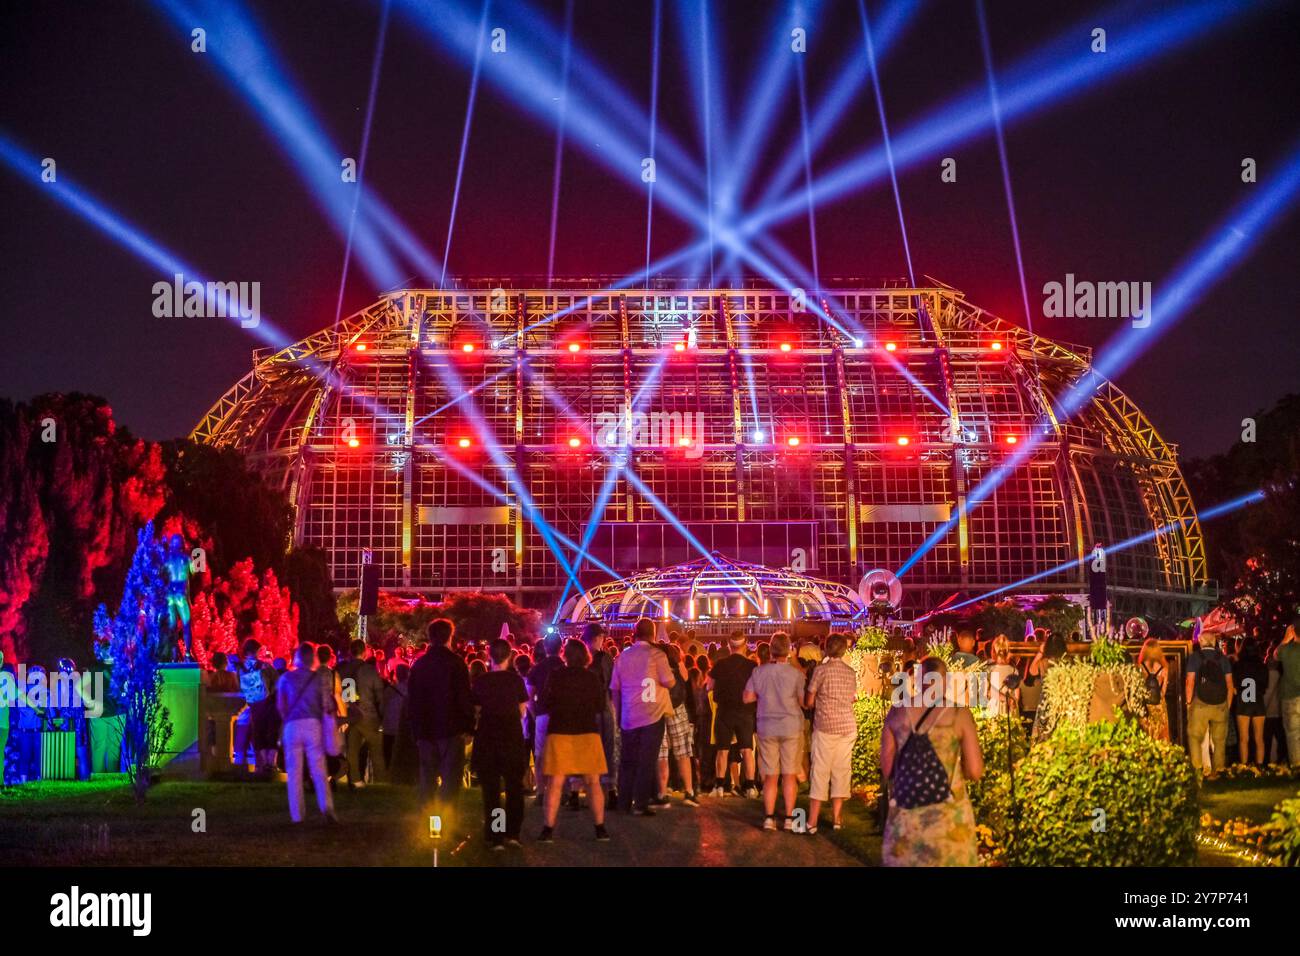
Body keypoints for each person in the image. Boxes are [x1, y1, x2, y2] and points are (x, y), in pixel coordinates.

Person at [881, 656, 983, 866]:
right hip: (948, 820)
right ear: (944, 681)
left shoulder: (897, 712)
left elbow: (888, 769)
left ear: (919, 679)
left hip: (906, 817)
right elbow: (975, 771)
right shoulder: (959, 714)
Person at [538, 639, 610, 842]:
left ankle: (547, 830)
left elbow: (545, 702)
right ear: (585, 656)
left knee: (555, 783)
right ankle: (600, 828)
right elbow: (599, 706)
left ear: (566, 656)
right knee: (593, 782)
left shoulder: (556, 675)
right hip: (587, 732)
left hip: (559, 731)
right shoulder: (592, 678)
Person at [609, 618, 675, 815]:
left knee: (627, 760)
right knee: (646, 760)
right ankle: (640, 804)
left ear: (635, 633)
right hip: (652, 714)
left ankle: (623, 802)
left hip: (629, 714)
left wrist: (619, 713)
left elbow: (615, 689)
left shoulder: (623, 656)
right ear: (653, 634)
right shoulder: (656, 655)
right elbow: (669, 682)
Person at [407, 618, 474, 811]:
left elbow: (413, 699)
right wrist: (468, 726)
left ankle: (426, 816)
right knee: (451, 777)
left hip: (426, 728)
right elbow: (463, 697)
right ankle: (447, 816)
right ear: (449, 637)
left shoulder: (419, 665)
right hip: (451, 728)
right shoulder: (456, 663)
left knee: (427, 775)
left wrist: (416, 728)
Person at [743, 632, 807, 831]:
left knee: (770, 775)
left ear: (770, 650)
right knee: (789, 774)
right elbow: (803, 702)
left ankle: (769, 818)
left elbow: (747, 697)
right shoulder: (796, 674)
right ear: (789, 650)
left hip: (767, 726)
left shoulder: (759, 672)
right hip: (790, 726)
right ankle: (789, 818)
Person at [471, 638, 530, 849]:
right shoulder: (515, 681)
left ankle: (496, 835)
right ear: (509, 656)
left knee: (492, 789)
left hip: (488, 738)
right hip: (512, 737)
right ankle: (513, 833)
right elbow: (523, 710)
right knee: (514, 786)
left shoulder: (481, 681)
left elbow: (476, 711)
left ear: (490, 656)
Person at [276, 643, 338, 824]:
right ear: (313, 658)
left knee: (294, 771)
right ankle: (326, 806)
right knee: (319, 768)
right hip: (313, 725)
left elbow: (281, 705)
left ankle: (297, 815)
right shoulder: (319, 679)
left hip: (291, 726)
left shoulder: (286, 678)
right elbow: (327, 705)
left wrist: (287, 718)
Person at [804, 634, 856, 833]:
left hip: (826, 726)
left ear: (826, 649)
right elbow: (851, 698)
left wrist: (818, 702)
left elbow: (809, 701)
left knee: (820, 772)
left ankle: (812, 821)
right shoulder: (850, 672)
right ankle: (837, 818)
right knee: (842, 771)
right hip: (847, 726)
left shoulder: (820, 671)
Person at [708, 632, 758, 798]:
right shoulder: (752, 666)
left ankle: (719, 786)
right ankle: (750, 787)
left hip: (725, 710)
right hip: (745, 711)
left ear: (729, 646)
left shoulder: (720, 664)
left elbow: (709, 686)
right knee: (747, 750)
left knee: (723, 750)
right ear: (745, 645)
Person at [337, 639, 388, 786]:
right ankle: (380, 781)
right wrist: (381, 715)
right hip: (369, 714)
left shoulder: (343, 669)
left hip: (351, 714)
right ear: (364, 652)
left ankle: (355, 779)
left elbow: (341, 694)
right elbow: (379, 694)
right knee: (376, 750)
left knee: (352, 750)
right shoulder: (369, 670)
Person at [654, 643, 699, 807]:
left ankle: (662, 792)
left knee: (662, 752)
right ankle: (689, 791)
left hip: (659, 707)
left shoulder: (656, 663)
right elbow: (686, 679)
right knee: (683, 751)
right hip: (677, 707)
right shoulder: (677, 663)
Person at [1186, 635, 1234, 779]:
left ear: (1201, 642)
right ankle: (1218, 770)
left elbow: (1190, 681)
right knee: (1219, 741)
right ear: (1214, 643)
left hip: (1200, 703)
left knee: (1196, 737)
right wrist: (1227, 705)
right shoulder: (1223, 658)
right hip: (1220, 704)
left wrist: (1189, 703)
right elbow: (1230, 684)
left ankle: (1200, 768)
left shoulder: (1195, 657)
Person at [582, 623, 619, 809]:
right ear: (597, 638)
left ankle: (584, 790)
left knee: (587, 751)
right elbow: (612, 684)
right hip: (603, 708)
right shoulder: (605, 658)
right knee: (607, 750)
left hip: (585, 711)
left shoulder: (580, 658)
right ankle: (610, 789)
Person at [526, 633, 566, 806]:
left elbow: (529, 697)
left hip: (543, 715)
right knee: (562, 754)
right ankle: (563, 792)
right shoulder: (566, 667)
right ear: (561, 647)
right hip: (562, 716)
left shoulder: (536, 669)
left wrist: (535, 714)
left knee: (541, 754)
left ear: (544, 648)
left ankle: (542, 792)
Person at [234, 639, 279, 774]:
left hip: (246, 707)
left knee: (256, 734)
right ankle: (270, 764)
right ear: (255, 651)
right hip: (266, 704)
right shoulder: (265, 666)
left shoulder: (239, 668)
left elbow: (235, 686)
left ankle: (260, 764)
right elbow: (277, 683)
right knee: (270, 733)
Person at [1231, 638, 1268, 766]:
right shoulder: (1262, 665)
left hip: (1243, 703)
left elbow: (1234, 689)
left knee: (1243, 738)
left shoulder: (1238, 665)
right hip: (1258, 703)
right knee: (1259, 738)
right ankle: (1259, 766)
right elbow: (1264, 687)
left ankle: (1244, 766)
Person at [1275, 619, 1300, 765]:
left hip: (1290, 697)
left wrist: (1285, 639)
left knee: (1293, 735)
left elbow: (1275, 655)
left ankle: (1297, 768)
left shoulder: (1287, 650)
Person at [1138, 639, 1170, 741]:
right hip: (1159, 704)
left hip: (1145, 705)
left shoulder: (1140, 667)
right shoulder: (1164, 668)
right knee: (1161, 734)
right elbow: (1163, 692)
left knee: (1146, 733)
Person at [1264, 642, 1289, 765]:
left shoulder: (1268, 675)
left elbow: (1267, 696)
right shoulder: (1282, 675)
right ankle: (1282, 760)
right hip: (1280, 713)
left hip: (1269, 713)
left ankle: (1267, 762)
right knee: (1281, 739)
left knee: (1267, 740)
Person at [382, 663, 409, 769]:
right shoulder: (412, 689)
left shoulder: (390, 690)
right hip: (404, 727)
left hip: (390, 727)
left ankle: (389, 773)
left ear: (396, 675)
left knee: (389, 753)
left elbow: (382, 707)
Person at [985, 635, 1019, 718]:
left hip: (994, 711)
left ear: (993, 651)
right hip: (1010, 711)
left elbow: (987, 692)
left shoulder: (988, 669)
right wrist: (1011, 701)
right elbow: (1017, 696)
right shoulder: (1014, 670)